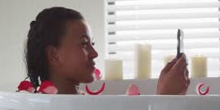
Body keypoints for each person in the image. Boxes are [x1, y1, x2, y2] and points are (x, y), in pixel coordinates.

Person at [24, 6, 190, 95]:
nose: (95, 53)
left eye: (92, 44)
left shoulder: (83, 107)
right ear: (54, 55)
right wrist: (166, 97)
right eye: (84, 44)